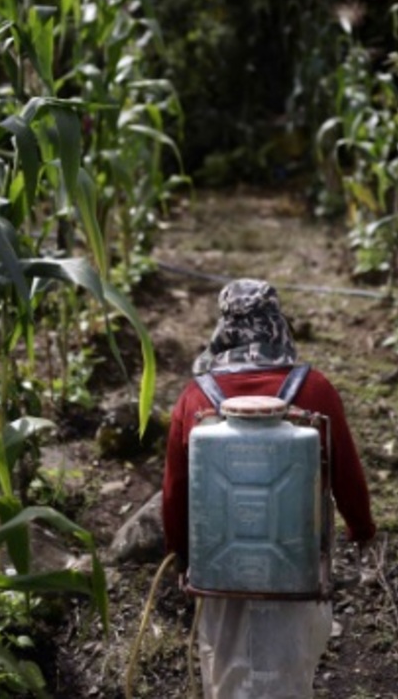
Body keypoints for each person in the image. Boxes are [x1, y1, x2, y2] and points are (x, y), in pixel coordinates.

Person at [162, 278, 378, 699]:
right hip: (295, 565)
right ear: (278, 323)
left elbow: (176, 491)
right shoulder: (314, 390)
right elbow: (346, 473)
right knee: (289, 665)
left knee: (225, 668)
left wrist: (181, 555)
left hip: (219, 571)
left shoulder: (195, 398)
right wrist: (361, 529)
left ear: (225, 327)